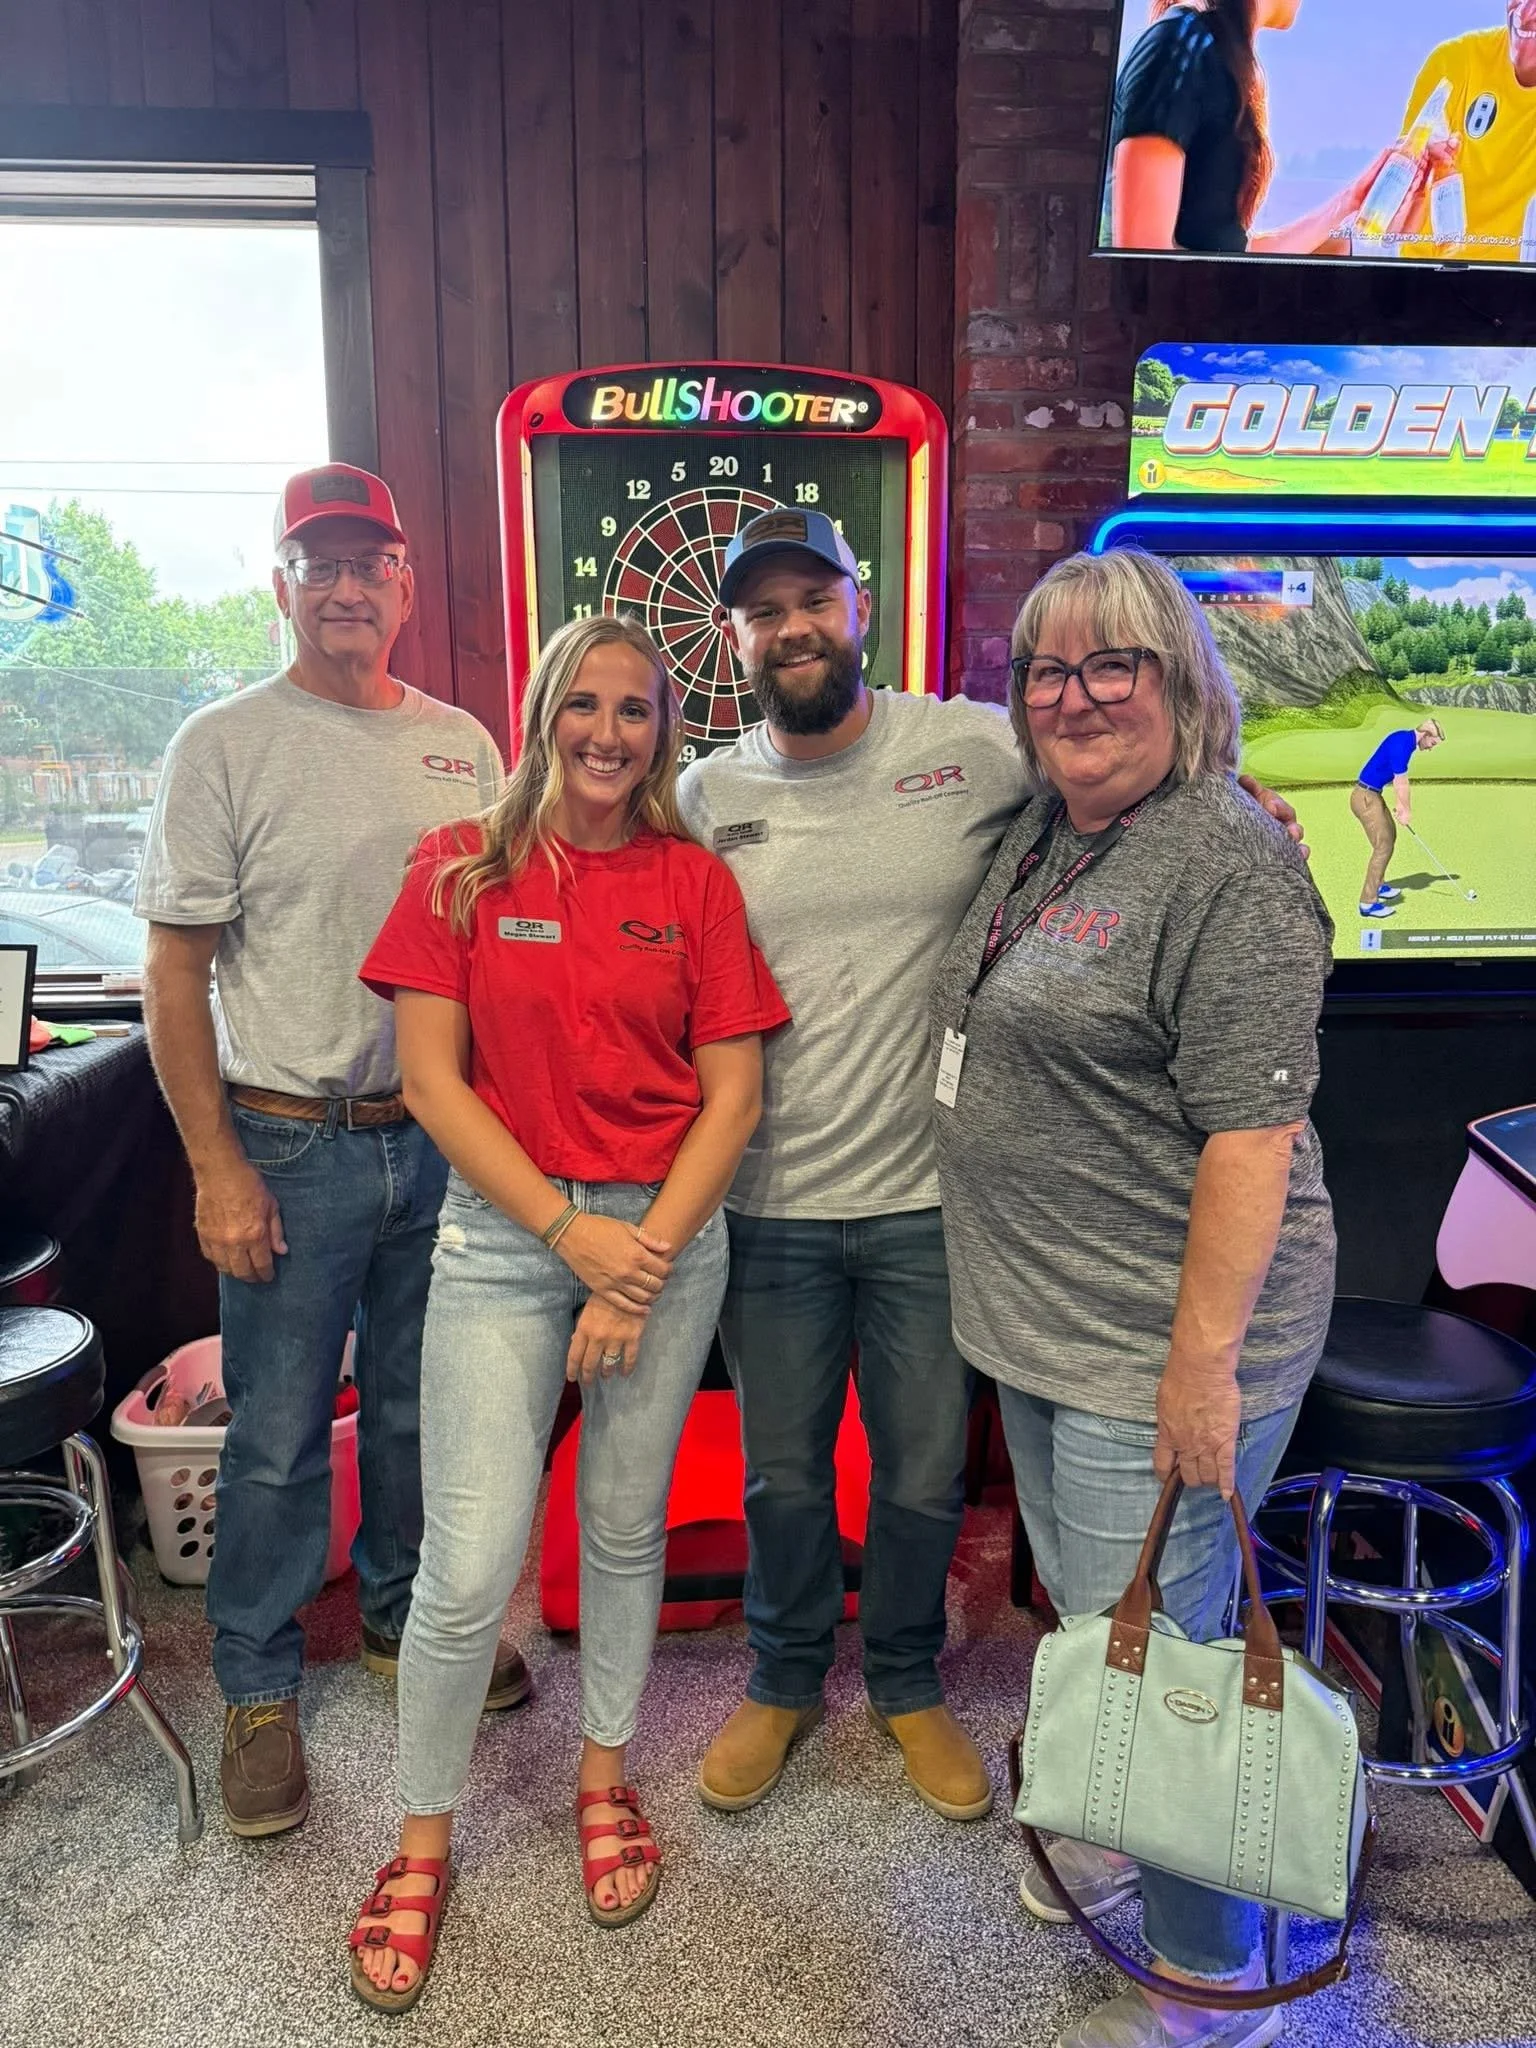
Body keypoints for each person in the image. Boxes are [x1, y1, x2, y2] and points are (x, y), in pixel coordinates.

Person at [679, 509, 1305, 1827]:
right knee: (783, 1473)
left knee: (916, 1477)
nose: (792, 625)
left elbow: (1144, 813)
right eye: (762, 608)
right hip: (774, 1202)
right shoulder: (704, 795)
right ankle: (785, 1677)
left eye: (814, 597)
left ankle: (907, 1681)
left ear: (861, 605)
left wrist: (1236, 799)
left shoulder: (971, 747)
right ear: (731, 636)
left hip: (933, 1211)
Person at [347, 615, 788, 2012]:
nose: (608, 734)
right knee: (469, 1564)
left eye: (637, 712)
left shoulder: (692, 882)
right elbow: (431, 1082)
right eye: (584, 706)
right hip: (505, 1235)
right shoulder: (460, 869)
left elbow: (734, 1096)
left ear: (667, 731)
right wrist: (569, 1236)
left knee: (621, 1524)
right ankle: (423, 1838)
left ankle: (604, 1777)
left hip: (666, 1232)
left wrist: (638, 1258)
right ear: (543, 713)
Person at [929, 548, 1337, 2048]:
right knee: (1107, 1621)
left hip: (1156, 1342)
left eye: (1117, 667)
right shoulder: (1047, 823)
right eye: (1048, 668)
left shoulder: (1226, 861)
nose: (1078, 695)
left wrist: (1199, 1370)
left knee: (1168, 1658)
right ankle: (1120, 1846)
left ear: (1184, 684)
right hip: (1046, 1322)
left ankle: (1212, 1990)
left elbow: (1250, 1137)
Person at [137, 464, 529, 1840]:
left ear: (408, 584)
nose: (349, 586)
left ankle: (404, 1621)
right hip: (287, 1141)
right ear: (283, 584)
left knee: (427, 1411)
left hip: (435, 1141)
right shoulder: (223, 744)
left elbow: (500, 941)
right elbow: (173, 975)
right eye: (322, 563)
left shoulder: (466, 745)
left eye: (373, 562)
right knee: (281, 1439)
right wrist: (214, 1169)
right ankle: (254, 1686)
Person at [1107, 0, 1446, 255]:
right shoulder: (1178, 45)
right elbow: (1143, 260)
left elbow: (1233, 256)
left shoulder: (1215, 52)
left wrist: (1353, 201)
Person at [1395, 2, 1536, 263]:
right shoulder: (1455, 60)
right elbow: (1397, 221)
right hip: (1424, 272)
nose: (1526, 13)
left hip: (1511, 286)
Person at [1351, 718, 1444, 917]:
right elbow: (1401, 783)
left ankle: (1379, 884)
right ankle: (1368, 902)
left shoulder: (1405, 741)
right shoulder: (1402, 744)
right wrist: (1405, 810)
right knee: (1383, 846)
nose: (1430, 748)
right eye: (1432, 744)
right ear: (1425, 735)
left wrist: (1401, 806)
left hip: (1373, 794)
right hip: (1365, 797)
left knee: (1390, 836)